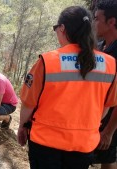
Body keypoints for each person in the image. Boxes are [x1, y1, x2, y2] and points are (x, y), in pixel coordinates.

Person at [17, 6, 117, 169]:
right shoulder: (110, 64)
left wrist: (22, 127)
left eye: (56, 28)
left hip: (45, 143)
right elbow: (105, 108)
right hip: (83, 145)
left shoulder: (47, 61)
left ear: (62, 28)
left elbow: (29, 103)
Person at [94, 1, 117, 168]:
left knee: (107, 159)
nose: (94, 23)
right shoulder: (101, 47)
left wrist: (109, 131)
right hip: (94, 117)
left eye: (97, 19)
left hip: (109, 122)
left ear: (111, 22)